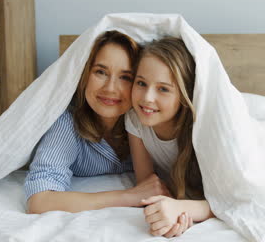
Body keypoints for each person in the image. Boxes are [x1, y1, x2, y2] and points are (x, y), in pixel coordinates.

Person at [25, 30, 173, 214]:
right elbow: (39, 201)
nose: (110, 88)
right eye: (101, 72)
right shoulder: (68, 124)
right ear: (85, 75)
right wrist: (129, 196)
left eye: (125, 77)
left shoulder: (148, 122)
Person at [125, 37, 214, 238]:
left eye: (163, 89)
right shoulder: (135, 119)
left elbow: (230, 201)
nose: (147, 97)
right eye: (141, 83)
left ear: (184, 95)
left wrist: (183, 209)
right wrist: (166, 211)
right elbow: (148, 186)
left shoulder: (201, 129)